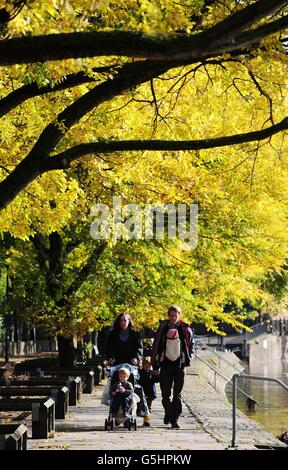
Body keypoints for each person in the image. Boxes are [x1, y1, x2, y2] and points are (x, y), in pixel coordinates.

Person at [151, 305, 195, 429]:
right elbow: (156, 345)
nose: (173, 318)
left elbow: (191, 344)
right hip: (165, 365)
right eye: (171, 315)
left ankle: (174, 419)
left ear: (179, 315)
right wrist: (155, 364)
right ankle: (168, 413)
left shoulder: (185, 329)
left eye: (175, 315)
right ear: (168, 316)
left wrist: (189, 357)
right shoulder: (163, 328)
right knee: (165, 395)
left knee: (177, 395)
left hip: (180, 366)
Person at [139, 356, 160, 427]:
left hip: (150, 393)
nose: (147, 367)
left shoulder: (152, 373)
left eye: (149, 366)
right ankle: (145, 418)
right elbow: (140, 381)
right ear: (143, 365)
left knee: (149, 407)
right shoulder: (141, 372)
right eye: (146, 366)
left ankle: (146, 420)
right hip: (143, 392)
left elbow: (157, 380)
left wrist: (157, 375)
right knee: (143, 406)